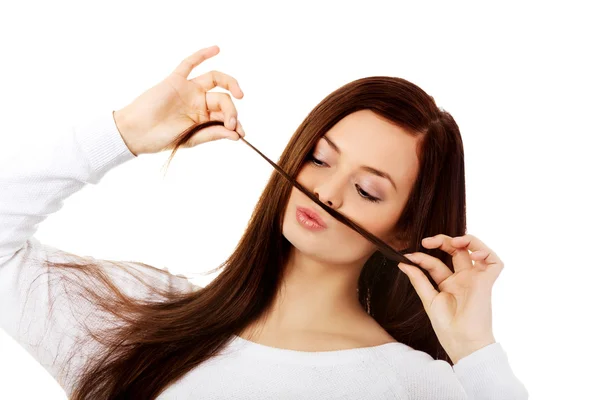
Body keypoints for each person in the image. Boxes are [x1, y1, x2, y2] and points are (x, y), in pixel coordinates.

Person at [0, 45, 529, 399]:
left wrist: (475, 352)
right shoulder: (139, 325)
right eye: (319, 159)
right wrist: (124, 132)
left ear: (402, 230)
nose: (325, 193)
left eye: (367, 190)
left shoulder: (416, 385)